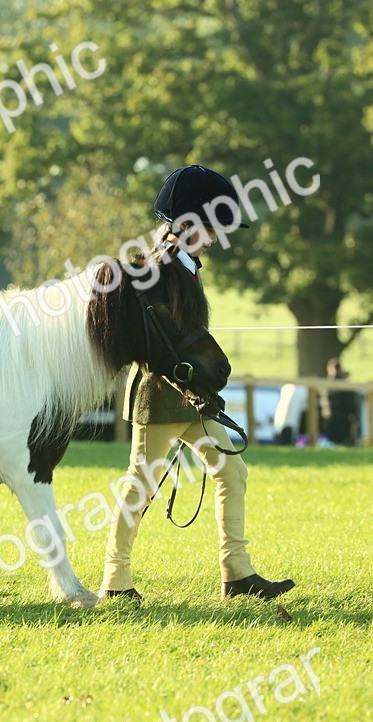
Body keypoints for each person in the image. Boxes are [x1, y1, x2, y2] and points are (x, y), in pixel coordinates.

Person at [99, 165, 296, 604]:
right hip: (163, 395)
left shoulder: (185, 265)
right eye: (211, 228)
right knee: (141, 483)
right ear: (186, 224)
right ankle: (115, 581)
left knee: (231, 469)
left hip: (192, 398)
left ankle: (238, 574)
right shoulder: (160, 267)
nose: (215, 238)